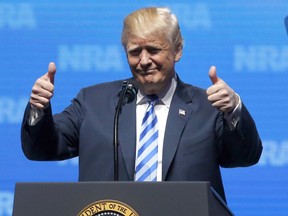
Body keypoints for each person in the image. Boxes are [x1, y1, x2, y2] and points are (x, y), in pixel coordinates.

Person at [21, 7, 262, 202]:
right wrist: (38, 108)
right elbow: (42, 149)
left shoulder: (208, 107)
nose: (144, 61)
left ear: (177, 50)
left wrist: (233, 110)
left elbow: (245, 156)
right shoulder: (92, 102)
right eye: (135, 51)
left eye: (154, 50)